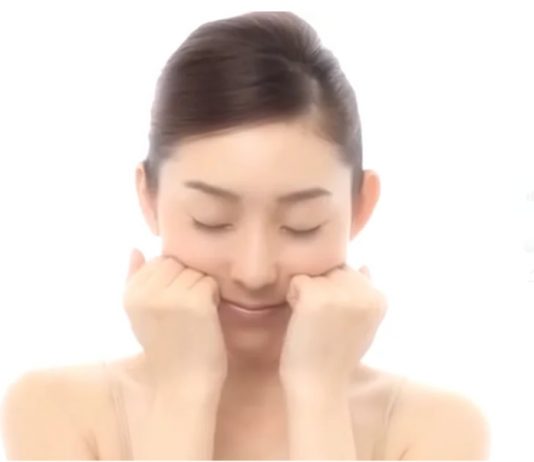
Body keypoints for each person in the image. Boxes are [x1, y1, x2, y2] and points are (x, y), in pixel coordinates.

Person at [1, 11, 490, 460]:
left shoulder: (435, 428)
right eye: (211, 220)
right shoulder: (56, 410)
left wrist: (318, 395)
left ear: (360, 207)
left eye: (302, 225)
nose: (254, 272)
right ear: (148, 198)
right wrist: (184, 391)